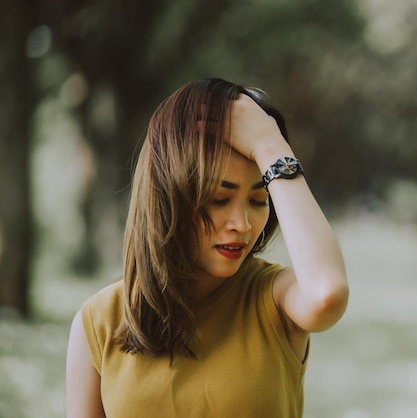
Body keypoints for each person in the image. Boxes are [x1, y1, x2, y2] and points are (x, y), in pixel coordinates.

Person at [65, 78, 349, 418]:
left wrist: (270, 146)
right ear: (169, 195)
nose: (242, 224)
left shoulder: (274, 301)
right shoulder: (99, 322)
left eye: (260, 199)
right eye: (219, 199)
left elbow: (326, 293)